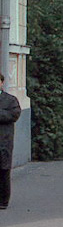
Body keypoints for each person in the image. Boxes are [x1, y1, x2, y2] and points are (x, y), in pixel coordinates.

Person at [0, 73, 22, 209]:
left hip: (3, 141)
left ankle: (3, 201)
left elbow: (14, 114)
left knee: (3, 170)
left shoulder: (10, 100)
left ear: (1, 83)